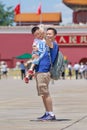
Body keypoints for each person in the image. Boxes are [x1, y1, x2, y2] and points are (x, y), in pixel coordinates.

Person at [32, 27, 58, 121]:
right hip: (40, 70)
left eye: (50, 34)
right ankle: (47, 112)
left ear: (55, 36)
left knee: (45, 93)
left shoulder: (53, 44)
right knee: (43, 94)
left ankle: (51, 114)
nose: (48, 35)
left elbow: (47, 41)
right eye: (47, 34)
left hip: (44, 70)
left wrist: (43, 34)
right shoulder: (45, 45)